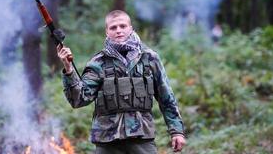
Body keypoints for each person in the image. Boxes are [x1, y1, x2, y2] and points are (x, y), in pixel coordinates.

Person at [57, 10, 186, 153]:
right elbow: (80, 99)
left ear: (131, 28)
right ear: (107, 32)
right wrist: (68, 69)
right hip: (108, 141)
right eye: (113, 27)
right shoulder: (98, 63)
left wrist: (176, 131)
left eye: (123, 26)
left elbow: (166, 97)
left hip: (142, 137)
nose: (118, 30)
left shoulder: (149, 58)